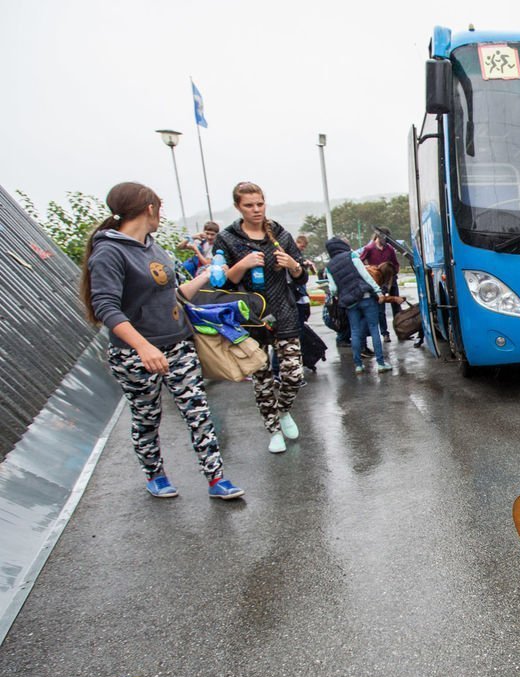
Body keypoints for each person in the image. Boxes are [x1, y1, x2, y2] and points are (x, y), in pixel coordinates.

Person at [80, 182, 244, 500]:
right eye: (159, 209)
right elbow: (105, 307)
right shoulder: (109, 252)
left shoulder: (153, 247)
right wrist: (142, 346)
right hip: (135, 354)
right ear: (150, 208)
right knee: (146, 415)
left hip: (178, 343)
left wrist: (207, 276)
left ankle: (217, 479)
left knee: (198, 411)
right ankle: (155, 474)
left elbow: (173, 296)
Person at [212, 182, 310, 454]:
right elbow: (221, 284)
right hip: (249, 318)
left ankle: (283, 410)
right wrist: (241, 265)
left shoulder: (280, 234)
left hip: (284, 312)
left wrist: (293, 266)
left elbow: (303, 277)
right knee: (262, 378)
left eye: (260, 203)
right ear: (238, 207)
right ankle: (273, 430)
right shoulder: (227, 239)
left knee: (293, 373)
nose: (256, 209)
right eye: (249, 205)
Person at [325, 236, 401, 373]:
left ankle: (358, 365)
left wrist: (342, 294)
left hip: (349, 303)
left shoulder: (329, 267)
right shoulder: (351, 255)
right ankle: (380, 363)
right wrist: (378, 291)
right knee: (373, 328)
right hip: (365, 297)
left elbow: (333, 289)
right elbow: (365, 275)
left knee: (355, 332)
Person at [359, 229, 400, 339]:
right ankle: (385, 333)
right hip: (378, 282)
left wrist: (392, 273)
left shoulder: (390, 249)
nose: (386, 241)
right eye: (384, 238)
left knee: (396, 305)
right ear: (378, 236)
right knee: (381, 309)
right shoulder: (369, 249)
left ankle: (400, 330)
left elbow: (396, 264)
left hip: (391, 280)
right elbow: (360, 262)